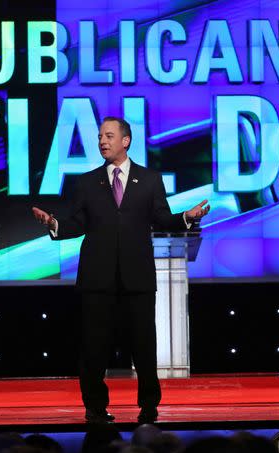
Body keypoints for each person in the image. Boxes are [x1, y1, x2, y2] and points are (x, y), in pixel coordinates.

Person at [31, 117, 209, 424]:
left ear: (125, 141)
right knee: (94, 348)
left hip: (137, 278)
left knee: (143, 345)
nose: (102, 141)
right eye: (100, 136)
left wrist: (186, 217)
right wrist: (54, 224)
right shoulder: (87, 182)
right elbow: (77, 224)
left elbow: (162, 219)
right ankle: (95, 409)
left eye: (109, 136)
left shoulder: (150, 179)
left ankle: (149, 407)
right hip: (97, 279)